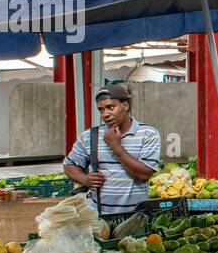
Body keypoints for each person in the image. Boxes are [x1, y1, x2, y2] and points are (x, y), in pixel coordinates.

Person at [63, 84, 161, 222]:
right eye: (101, 110)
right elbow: (69, 165)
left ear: (125, 105)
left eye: (110, 107)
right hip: (98, 216)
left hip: (136, 217)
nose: (105, 114)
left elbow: (143, 175)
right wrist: (85, 179)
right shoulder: (90, 136)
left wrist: (116, 147)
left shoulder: (148, 134)